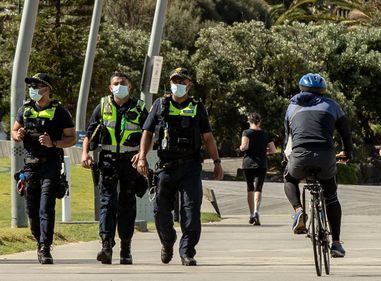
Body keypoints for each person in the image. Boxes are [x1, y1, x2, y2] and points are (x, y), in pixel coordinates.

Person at [136, 67, 224, 266]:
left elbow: (208, 137)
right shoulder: (160, 104)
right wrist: (142, 157)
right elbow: (147, 133)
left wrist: (217, 162)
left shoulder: (197, 107)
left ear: (189, 85)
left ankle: (187, 252)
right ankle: (167, 242)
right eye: (175, 81)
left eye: (182, 82)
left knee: (191, 210)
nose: (178, 85)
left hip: (190, 167)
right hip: (165, 167)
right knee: (160, 210)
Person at [80, 72, 148, 265]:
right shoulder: (102, 107)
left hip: (130, 162)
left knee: (127, 205)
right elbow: (89, 135)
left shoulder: (140, 108)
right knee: (107, 204)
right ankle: (106, 247)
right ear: (110, 88)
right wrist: (85, 154)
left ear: (130, 86)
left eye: (123, 83)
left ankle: (126, 249)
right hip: (108, 161)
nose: (120, 86)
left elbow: (148, 134)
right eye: (116, 84)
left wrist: (142, 155)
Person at [283, 73, 353, 258]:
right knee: (331, 195)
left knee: (289, 178)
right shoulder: (332, 105)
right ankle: (336, 244)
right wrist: (348, 153)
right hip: (325, 156)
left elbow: (287, 137)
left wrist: (286, 158)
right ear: (323, 91)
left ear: (301, 89)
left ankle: (298, 210)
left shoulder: (292, 107)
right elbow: (346, 134)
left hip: (299, 155)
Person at [11, 73, 76, 264]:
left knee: (46, 207)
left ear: (46, 89)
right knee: (32, 211)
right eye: (30, 85)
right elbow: (15, 131)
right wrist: (18, 134)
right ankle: (39, 239)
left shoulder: (60, 112)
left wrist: (53, 143)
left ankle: (45, 248)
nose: (32, 89)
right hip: (30, 166)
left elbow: (71, 138)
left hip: (51, 165)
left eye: (36, 85)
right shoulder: (25, 109)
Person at [239, 112, 277, 226]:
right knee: (258, 188)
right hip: (261, 164)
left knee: (250, 188)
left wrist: (241, 147)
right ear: (260, 121)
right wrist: (264, 151)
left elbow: (244, 147)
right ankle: (256, 211)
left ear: (249, 121)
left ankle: (251, 214)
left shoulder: (246, 132)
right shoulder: (265, 133)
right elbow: (273, 150)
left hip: (248, 163)